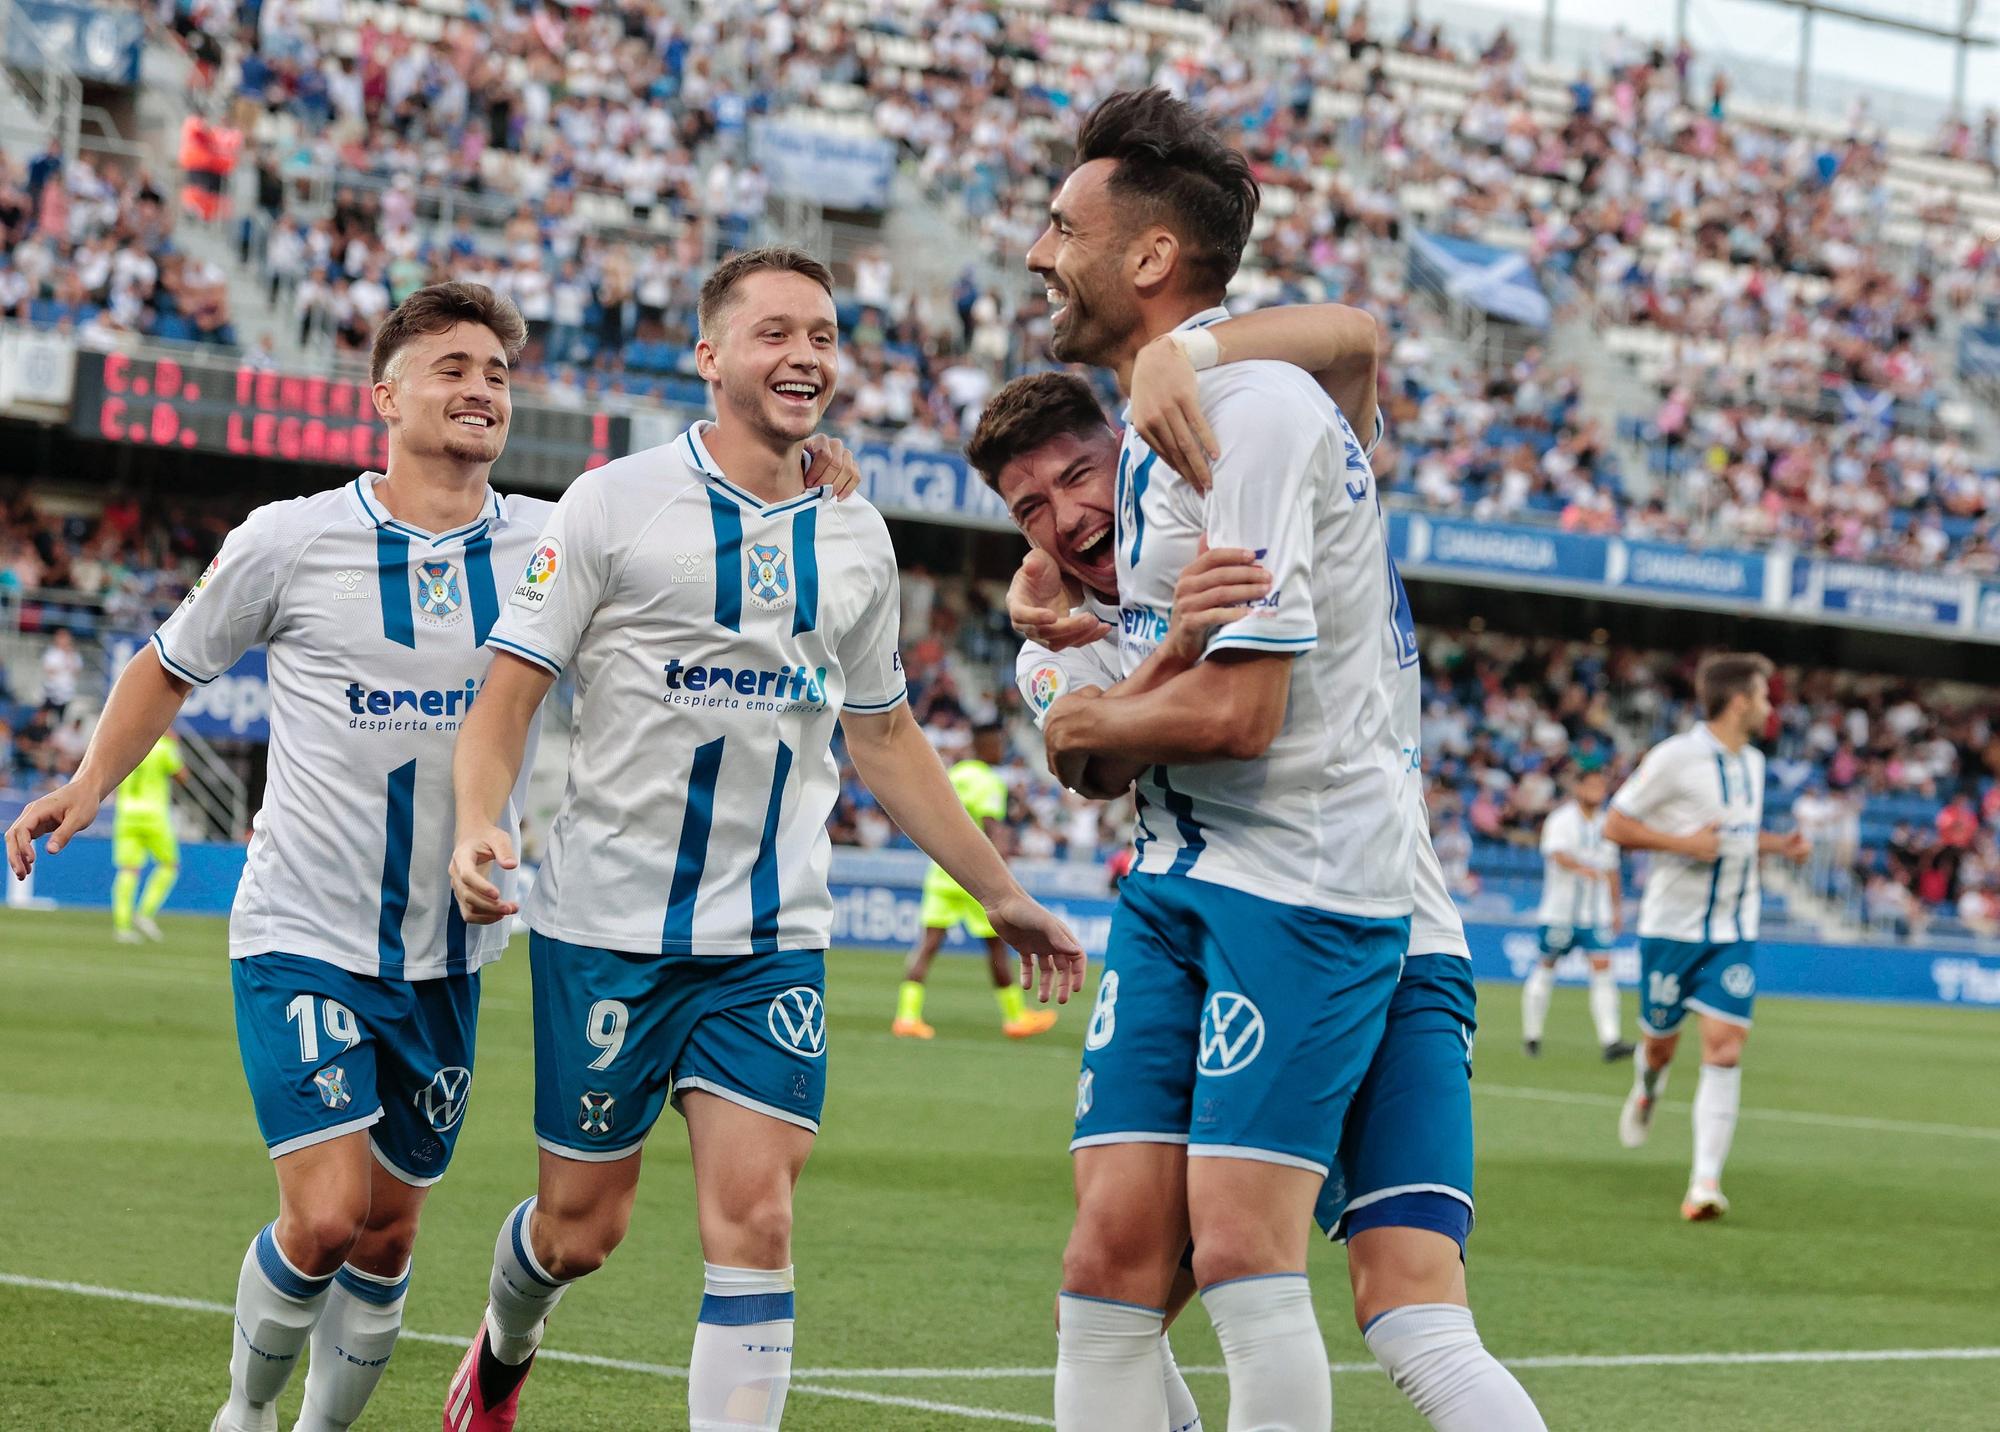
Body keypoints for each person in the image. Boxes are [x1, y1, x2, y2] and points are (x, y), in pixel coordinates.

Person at [439, 246, 1084, 1432]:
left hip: (770, 935)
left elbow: (884, 735)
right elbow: (506, 699)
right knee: (580, 1233)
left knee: (758, 1221)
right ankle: (503, 1342)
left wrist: (1002, 892)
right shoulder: (611, 505)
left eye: (825, 337)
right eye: (776, 333)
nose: (805, 357)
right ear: (710, 356)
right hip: (606, 926)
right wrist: (479, 824)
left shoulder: (854, 534)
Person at [1009, 88, 1541, 1431]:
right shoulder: (1173, 438)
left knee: (1306, 1280)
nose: (1033, 250)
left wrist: (1089, 717)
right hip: (1231, 884)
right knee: (1113, 1270)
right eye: (1026, 507)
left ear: (1148, 255)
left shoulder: (1245, 416)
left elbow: (1239, 715)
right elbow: (1354, 348)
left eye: (1061, 223)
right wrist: (1093, 678)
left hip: (1318, 892)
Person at [10, 283, 560, 1432]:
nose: (480, 388)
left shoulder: (552, 544)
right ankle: (245, 1414)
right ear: (386, 396)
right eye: (453, 366)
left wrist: (810, 482)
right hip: (302, 928)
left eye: (498, 372)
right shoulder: (290, 536)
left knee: (391, 1229)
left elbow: (689, 545)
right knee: (321, 1218)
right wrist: (88, 781)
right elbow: (169, 665)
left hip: (450, 946)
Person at [1604, 652, 1809, 1221]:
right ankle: (1647, 1087)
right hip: (1672, 930)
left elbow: (1734, 838)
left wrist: (1780, 847)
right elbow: (1615, 824)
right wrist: (1683, 846)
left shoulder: (1756, 765)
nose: (1771, 708)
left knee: (1724, 1047)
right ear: (1739, 700)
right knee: (1661, 1044)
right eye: (1765, 696)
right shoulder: (1675, 757)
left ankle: (1704, 1185)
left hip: (1734, 932)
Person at [893, 719, 1060, 1041]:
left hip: (943, 870)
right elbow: (992, 829)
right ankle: (1015, 1017)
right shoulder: (987, 782)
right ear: (985, 745)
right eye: (997, 743)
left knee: (927, 945)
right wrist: (1002, 875)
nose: (1000, 749)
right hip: (973, 876)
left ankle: (907, 1016)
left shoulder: (954, 773)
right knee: (996, 945)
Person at [1522, 763, 1632, 1060]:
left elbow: (1612, 869)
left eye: (1602, 786)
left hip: (1595, 914)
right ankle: (1532, 1035)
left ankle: (1611, 1040)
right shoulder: (1561, 820)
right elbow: (1556, 854)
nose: (1598, 792)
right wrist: (1584, 868)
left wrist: (1616, 908)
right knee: (1547, 965)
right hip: (1560, 912)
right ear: (1579, 788)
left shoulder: (1608, 822)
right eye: (1593, 785)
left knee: (1603, 969)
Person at [111, 729, 188, 943]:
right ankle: (145, 913)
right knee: (169, 865)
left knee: (128, 870)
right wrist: (175, 747)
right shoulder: (164, 746)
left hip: (126, 813)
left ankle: (122, 926)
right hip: (154, 814)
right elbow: (182, 776)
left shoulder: (126, 746)